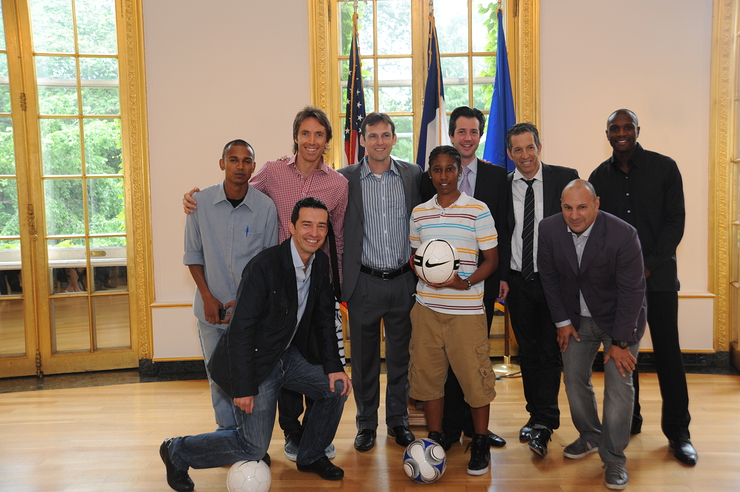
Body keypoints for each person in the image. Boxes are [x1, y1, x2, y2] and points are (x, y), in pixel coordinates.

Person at [182, 106, 348, 460]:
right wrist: (194, 199)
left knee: (308, 358)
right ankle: (274, 434)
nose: (312, 140)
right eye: (306, 133)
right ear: (296, 137)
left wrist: (336, 286)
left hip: (309, 284)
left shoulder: (338, 184)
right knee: (258, 365)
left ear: (327, 141)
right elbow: (237, 191)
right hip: (272, 289)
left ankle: (310, 436)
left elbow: (339, 237)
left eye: (319, 134)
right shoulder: (272, 172)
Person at [160, 198, 352, 492]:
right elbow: (240, 332)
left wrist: (334, 368)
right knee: (252, 447)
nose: (314, 232)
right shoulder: (265, 266)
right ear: (291, 227)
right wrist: (244, 386)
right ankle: (177, 451)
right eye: (306, 225)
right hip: (257, 362)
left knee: (334, 390)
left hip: (288, 355)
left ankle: (311, 455)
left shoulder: (321, 263)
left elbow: (324, 319)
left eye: (321, 226)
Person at [589, 109, 696, 466]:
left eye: (627, 127)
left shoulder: (665, 168)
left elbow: (675, 223)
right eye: (615, 129)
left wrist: (646, 266)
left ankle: (679, 433)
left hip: (659, 280)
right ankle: (628, 421)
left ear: (637, 130)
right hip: (618, 287)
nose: (621, 133)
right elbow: (596, 231)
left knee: (668, 355)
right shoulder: (597, 178)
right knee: (622, 354)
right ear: (607, 134)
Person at [538, 179, 646, 490]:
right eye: (567, 207)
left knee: (618, 385)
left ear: (596, 203)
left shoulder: (623, 234)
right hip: (575, 319)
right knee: (573, 378)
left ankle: (613, 458)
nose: (574, 215)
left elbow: (632, 291)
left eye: (582, 207)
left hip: (620, 321)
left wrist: (622, 343)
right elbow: (549, 278)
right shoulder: (549, 229)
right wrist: (561, 322)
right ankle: (590, 435)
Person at [419, 106, 508, 450]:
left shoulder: (497, 176)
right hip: (436, 293)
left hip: (478, 285)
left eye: (473, 131)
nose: (467, 137)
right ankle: (451, 427)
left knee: (473, 360)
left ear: (479, 136)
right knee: (443, 363)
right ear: (452, 135)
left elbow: (503, 229)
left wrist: (498, 277)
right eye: (461, 131)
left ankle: (476, 431)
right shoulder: (431, 185)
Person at [408, 145, 498, 476]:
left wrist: (467, 281)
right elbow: (415, 257)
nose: (443, 176)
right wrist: (422, 272)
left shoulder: (478, 210)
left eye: (450, 169)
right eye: (437, 170)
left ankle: (480, 441)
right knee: (429, 378)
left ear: (459, 172)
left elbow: (492, 260)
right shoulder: (419, 213)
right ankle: (434, 439)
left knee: (475, 380)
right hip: (427, 309)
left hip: (466, 311)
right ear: (429, 173)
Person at [337, 112, 421, 451]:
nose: (380, 142)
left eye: (386, 135)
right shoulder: (345, 179)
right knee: (364, 360)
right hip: (364, 284)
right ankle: (366, 424)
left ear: (394, 138)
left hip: (404, 282)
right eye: (373, 136)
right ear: (362, 140)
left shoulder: (412, 174)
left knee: (402, 357)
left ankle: (398, 421)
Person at [183, 139, 278, 431]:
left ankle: (250, 438)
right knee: (219, 378)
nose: (240, 166)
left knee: (250, 375)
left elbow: (268, 264)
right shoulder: (199, 205)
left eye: (246, 160)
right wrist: (207, 296)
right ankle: (227, 434)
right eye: (233, 160)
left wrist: (248, 303)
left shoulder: (265, 208)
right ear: (222, 164)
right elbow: (193, 255)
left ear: (253, 166)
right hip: (211, 311)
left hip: (250, 313)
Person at [499, 122, 578, 457]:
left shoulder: (564, 178)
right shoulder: (502, 186)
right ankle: (536, 416)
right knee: (527, 353)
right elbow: (500, 234)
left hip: (553, 281)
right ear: (509, 153)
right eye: (517, 149)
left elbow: (579, 224)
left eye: (529, 147)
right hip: (518, 281)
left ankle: (546, 420)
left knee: (549, 351)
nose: (524, 155)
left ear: (539, 147)